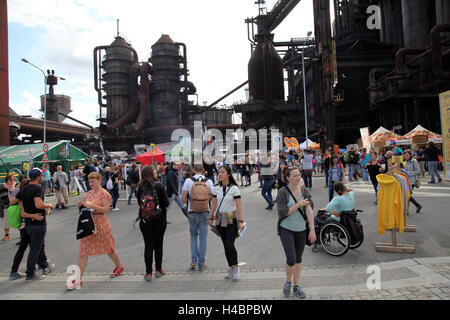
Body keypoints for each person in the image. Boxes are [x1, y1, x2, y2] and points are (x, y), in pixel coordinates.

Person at [76, 172, 124, 285]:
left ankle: (119, 266)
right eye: (90, 181)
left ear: (99, 181)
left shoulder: (104, 194)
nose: (91, 183)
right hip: (89, 224)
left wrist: (93, 206)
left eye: (94, 181)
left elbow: (106, 210)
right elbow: (87, 208)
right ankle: (78, 278)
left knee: (108, 247)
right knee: (83, 250)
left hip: (101, 224)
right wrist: (81, 206)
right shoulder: (89, 193)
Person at [276, 167, 316, 298]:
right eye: (294, 175)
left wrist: (312, 229)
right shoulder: (283, 192)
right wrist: (298, 204)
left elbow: (309, 210)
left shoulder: (304, 191)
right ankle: (288, 282)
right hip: (286, 228)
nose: (298, 178)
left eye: (299, 175)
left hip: (301, 229)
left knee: (298, 259)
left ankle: (297, 286)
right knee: (291, 258)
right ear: (287, 178)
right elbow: (283, 213)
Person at [15, 168, 55, 281]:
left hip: (28, 223)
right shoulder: (38, 188)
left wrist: (22, 202)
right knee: (35, 248)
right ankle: (30, 273)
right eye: (41, 176)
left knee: (38, 245)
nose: (42, 178)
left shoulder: (24, 189)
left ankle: (44, 265)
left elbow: (13, 201)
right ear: (38, 177)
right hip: (39, 222)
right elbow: (38, 204)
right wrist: (49, 205)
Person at [209, 165, 245, 280]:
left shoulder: (234, 189)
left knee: (230, 244)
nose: (219, 174)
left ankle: (235, 267)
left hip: (231, 220)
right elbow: (214, 204)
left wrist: (240, 221)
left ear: (228, 174)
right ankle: (230, 267)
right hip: (220, 220)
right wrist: (210, 217)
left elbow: (239, 206)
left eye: (222, 172)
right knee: (225, 245)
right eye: (219, 172)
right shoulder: (216, 188)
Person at [136, 165, 169, 281]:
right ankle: (158, 270)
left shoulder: (139, 188)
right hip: (159, 220)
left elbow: (139, 204)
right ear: (151, 173)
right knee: (158, 245)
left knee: (148, 245)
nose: (156, 172)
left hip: (144, 221)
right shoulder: (159, 186)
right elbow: (165, 203)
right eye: (154, 171)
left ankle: (148, 272)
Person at [181, 164, 214, 271]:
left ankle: (194, 260)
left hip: (192, 212)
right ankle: (201, 263)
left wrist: (191, 202)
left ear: (193, 170)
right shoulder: (208, 181)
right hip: (205, 212)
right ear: (203, 170)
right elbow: (213, 198)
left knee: (193, 236)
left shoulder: (188, 181)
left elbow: (182, 199)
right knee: (203, 238)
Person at [9, 175, 31, 280]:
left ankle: (14, 270)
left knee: (24, 247)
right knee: (35, 246)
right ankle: (34, 269)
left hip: (23, 224)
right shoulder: (28, 194)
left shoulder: (19, 194)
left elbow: (11, 202)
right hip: (29, 223)